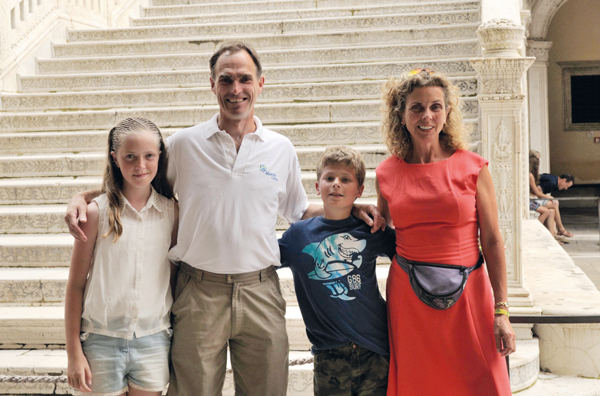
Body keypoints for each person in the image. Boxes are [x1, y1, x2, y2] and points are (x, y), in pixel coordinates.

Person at [64, 42, 383, 396]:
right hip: (199, 291)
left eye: (244, 79)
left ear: (260, 83)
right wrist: (85, 196)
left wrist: (349, 206)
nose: (236, 89)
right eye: (226, 80)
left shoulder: (280, 148)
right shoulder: (184, 145)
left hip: (259, 287)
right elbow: (137, 182)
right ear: (212, 84)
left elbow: (299, 212)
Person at [375, 68, 515, 395]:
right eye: (417, 107)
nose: (427, 116)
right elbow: (381, 229)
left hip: (471, 295)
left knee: (481, 381)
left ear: (447, 112)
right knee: (419, 383)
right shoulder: (386, 173)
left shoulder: (473, 167)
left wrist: (502, 310)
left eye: (436, 106)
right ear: (401, 114)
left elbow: (493, 241)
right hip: (409, 299)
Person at [64, 118, 179, 395]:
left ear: (159, 156)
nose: (140, 165)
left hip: (154, 339)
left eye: (149, 156)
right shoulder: (95, 213)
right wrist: (73, 355)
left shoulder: (172, 213)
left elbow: (173, 279)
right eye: (130, 157)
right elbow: (76, 286)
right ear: (115, 158)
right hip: (100, 341)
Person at [279, 146, 395, 395]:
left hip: (376, 348)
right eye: (329, 178)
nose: (336, 185)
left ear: (360, 190)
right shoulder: (298, 236)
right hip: (328, 354)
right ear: (317, 186)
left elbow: (410, 253)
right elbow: (261, 258)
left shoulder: (370, 231)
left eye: (345, 179)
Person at [529, 151, 573, 240]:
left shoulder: (552, 179)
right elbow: (537, 192)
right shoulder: (551, 181)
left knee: (551, 211)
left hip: (532, 198)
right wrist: (550, 198)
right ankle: (560, 229)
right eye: (566, 186)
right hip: (530, 199)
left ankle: (552, 236)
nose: (566, 188)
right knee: (554, 204)